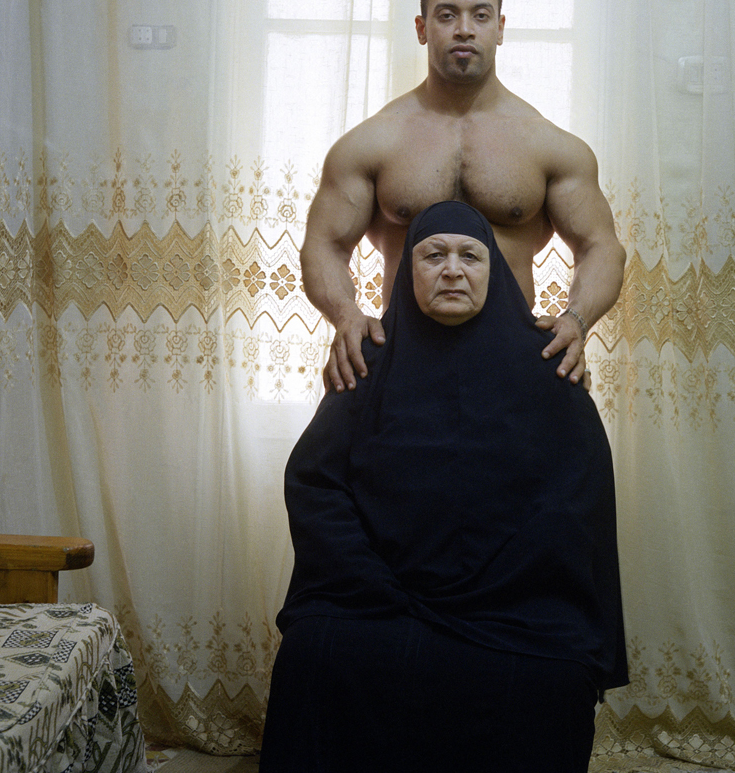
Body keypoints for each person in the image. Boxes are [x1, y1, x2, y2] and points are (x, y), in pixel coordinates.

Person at [260, 201, 628, 773]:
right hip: (374, 595)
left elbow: (575, 500)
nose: (452, 270)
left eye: (469, 257)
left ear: (493, 272)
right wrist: (370, 580)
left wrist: (498, 586)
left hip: (513, 602)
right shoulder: (367, 360)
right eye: (433, 256)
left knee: (547, 677)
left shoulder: (549, 363)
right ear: (408, 271)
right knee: (317, 652)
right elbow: (316, 482)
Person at [300, 0, 626, 393]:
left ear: (500, 28)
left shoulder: (548, 145)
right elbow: (325, 243)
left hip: (514, 362)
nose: (464, 29)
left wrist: (576, 321)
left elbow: (600, 246)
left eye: (481, 15)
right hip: (402, 359)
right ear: (422, 29)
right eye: (447, 15)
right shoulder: (373, 143)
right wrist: (346, 316)